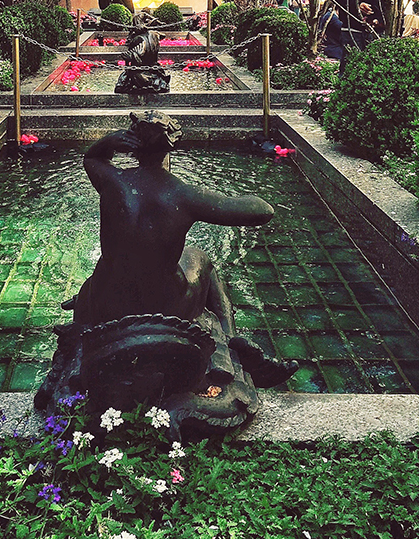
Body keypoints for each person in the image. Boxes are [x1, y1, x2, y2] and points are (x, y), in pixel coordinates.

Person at [70, 111, 297, 388]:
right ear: (170, 148)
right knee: (199, 257)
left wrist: (110, 141)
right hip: (165, 307)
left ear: (132, 147)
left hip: (107, 303)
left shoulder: (112, 181)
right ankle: (227, 338)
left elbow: (92, 158)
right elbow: (263, 211)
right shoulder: (185, 195)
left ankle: (80, 345)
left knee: (103, 269)